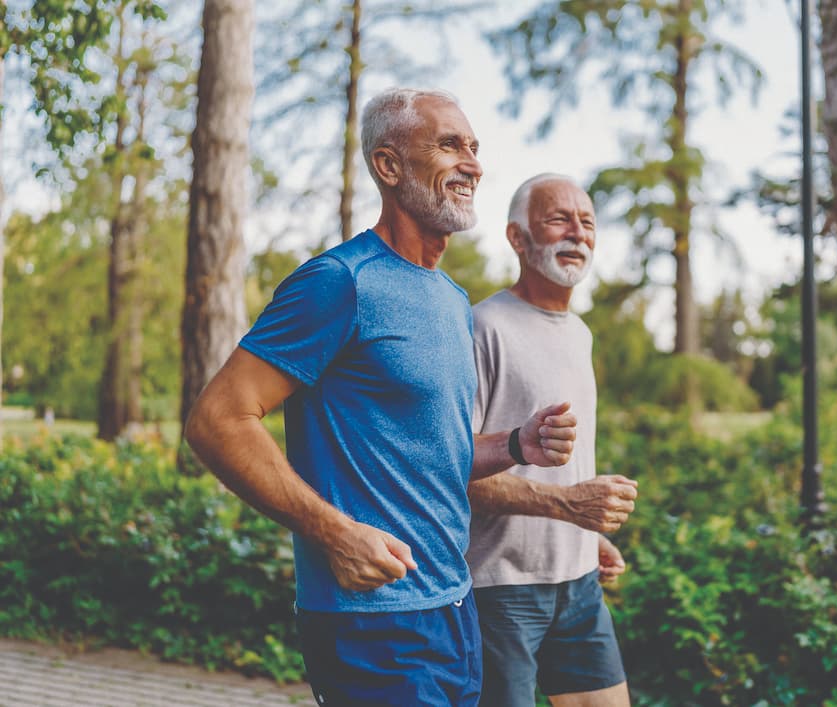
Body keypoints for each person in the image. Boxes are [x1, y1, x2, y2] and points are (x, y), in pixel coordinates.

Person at [184, 90, 578, 707]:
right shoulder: (340, 282)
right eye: (449, 145)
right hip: (371, 621)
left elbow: (426, 452)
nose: (472, 164)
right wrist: (335, 533)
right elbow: (218, 419)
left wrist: (515, 444)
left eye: (474, 148)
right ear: (388, 167)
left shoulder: (450, 298)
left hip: (453, 606)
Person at [468, 174, 638, 706]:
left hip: (580, 583)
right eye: (558, 219)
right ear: (517, 238)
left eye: (587, 222)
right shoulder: (483, 326)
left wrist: (586, 534)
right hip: (499, 589)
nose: (577, 233)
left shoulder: (580, 332)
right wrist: (569, 508)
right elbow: (452, 466)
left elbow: (566, 466)